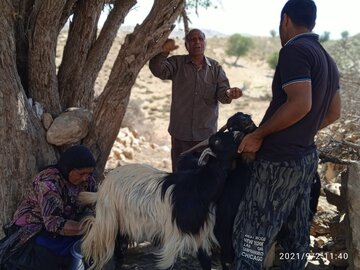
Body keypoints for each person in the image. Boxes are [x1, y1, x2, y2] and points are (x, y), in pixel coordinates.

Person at [233, 1, 341, 269]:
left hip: (277, 163)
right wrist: (302, 131)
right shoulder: (327, 59)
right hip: (305, 160)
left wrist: (259, 135)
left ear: (285, 20)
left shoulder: (294, 50)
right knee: (295, 237)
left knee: (252, 238)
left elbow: (300, 103)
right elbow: (334, 112)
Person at [149, 28, 243, 171]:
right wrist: (164, 52)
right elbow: (158, 69)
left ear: (205, 43)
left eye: (200, 39)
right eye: (192, 39)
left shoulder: (215, 68)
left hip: (205, 136)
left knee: (202, 176)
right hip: (181, 134)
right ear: (186, 45)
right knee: (180, 176)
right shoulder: (177, 63)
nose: (197, 42)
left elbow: (223, 93)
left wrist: (229, 93)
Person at [0, 145, 97, 270]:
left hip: (63, 228)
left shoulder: (87, 181)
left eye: (89, 173)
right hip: (34, 230)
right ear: (69, 169)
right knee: (47, 256)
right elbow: (53, 224)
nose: (85, 177)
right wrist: (90, 227)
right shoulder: (48, 184)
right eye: (81, 173)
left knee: (92, 246)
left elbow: (96, 204)